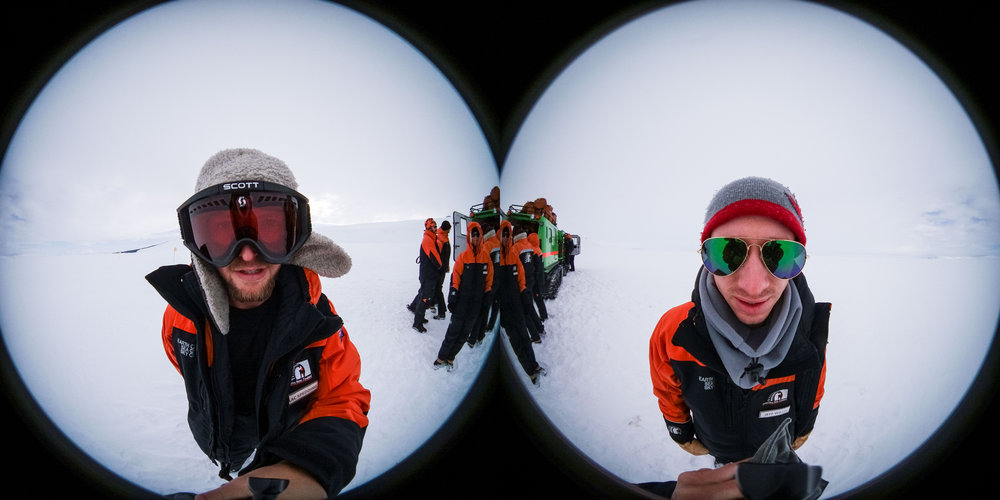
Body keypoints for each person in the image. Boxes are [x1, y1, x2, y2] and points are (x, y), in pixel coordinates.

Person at [146, 148, 371, 498]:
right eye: (222, 232)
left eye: (269, 228)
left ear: (295, 238)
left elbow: (342, 393)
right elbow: (182, 361)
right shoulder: (183, 315)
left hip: (277, 436)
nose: (248, 254)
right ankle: (228, 458)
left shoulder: (316, 319)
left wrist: (304, 469)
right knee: (230, 458)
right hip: (214, 432)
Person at [648, 176, 830, 466]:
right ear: (704, 255)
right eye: (727, 253)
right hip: (718, 447)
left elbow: (813, 382)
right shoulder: (676, 329)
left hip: (775, 447)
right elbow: (667, 386)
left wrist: (805, 424)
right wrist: (678, 427)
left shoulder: (808, 327)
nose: (753, 286)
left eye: (780, 254)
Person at [434, 221, 493, 370]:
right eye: (473, 235)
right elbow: (455, 278)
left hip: (476, 304)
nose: (475, 238)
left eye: (477, 235)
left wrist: (487, 297)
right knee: (453, 331)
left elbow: (489, 281)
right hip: (462, 302)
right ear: (469, 237)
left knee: (465, 333)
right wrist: (453, 296)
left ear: (481, 237)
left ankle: (451, 358)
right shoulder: (463, 256)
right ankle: (441, 358)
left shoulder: (486, 258)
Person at [496, 219, 545, 384]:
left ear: (511, 237)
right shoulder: (496, 258)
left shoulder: (513, 254)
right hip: (506, 309)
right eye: (503, 236)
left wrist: (524, 295)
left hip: (517, 304)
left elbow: (521, 278)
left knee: (524, 337)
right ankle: (530, 372)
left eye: (507, 235)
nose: (505, 238)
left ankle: (535, 365)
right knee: (516, 342)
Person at [411, 217, 443, 332]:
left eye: (436, 226)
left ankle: (416, 311)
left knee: (423, 294)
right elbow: (434, 257)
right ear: (429, 228)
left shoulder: (431, 238)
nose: (436, 228)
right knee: (425, 297)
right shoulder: (428, 239)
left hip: (429, 273)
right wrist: (440, 266)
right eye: (434, 226)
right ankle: (417, 323)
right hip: (428, 274)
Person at [433, 220, 452, 319]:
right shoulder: (440, 237)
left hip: (442, 267)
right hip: (440, 268)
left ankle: (437, 306)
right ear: (446, 229)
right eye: (449, 229)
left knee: (437, 287)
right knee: (437, 288)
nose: (450, 231)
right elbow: (438, 255)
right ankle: (441, 311)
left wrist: (446, 265)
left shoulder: (444, 236)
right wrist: (441, 266)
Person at [527, 232, 548, 321]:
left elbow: (535, 268)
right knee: (538, 298)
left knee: (538, 298)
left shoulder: (533, 251)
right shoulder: (538, 249)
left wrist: (532, 280)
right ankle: (543, 314)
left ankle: (543, 316)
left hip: (536, 281)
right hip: (539, 279)